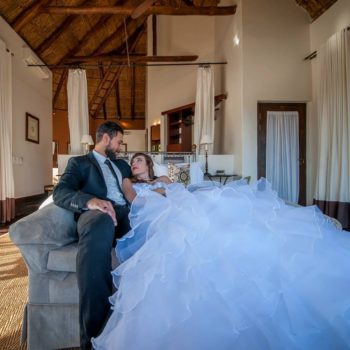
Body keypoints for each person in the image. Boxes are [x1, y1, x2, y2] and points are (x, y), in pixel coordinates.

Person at [93, 154, 350, 350]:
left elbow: (176, 192)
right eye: (132, 161)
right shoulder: (129, 181)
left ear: (149, 164)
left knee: (216, 217)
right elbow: (133, 200)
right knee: (181, 236)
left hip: (175, 208)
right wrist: (153, 192)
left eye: (139, 160)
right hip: (154, 217)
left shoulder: (162, 179)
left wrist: (160, 189)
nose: (135, 163)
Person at [53, 121, 131, 350]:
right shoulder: (79, 163)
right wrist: (90, 201)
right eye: (118, 141)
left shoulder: (122, 165)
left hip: (125, 212)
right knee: (97, 233)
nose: (120, 147)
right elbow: (61, 192)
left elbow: (136, 186)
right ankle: (94, 341)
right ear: (106, 138)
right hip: (97, 212)